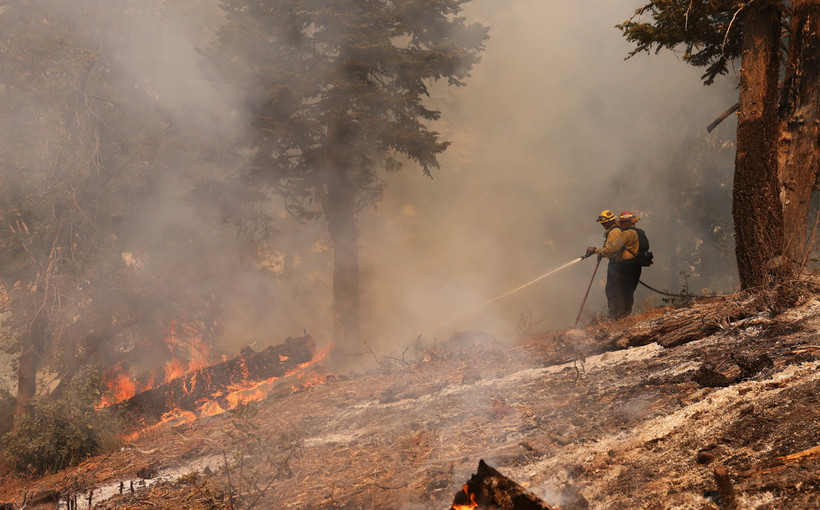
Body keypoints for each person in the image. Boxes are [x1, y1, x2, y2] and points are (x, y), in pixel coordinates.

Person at [585, 210, 641, 319]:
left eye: (605, 223)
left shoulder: (617, 232)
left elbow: (611, 250)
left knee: (613, 290)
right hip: (631, 265)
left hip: (619, 265)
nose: (603, 225)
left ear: (611, 221)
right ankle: (624, 315)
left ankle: (617, 317)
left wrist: (597, 251)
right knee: (625, 290)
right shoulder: (627, 231)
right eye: (602, 223)